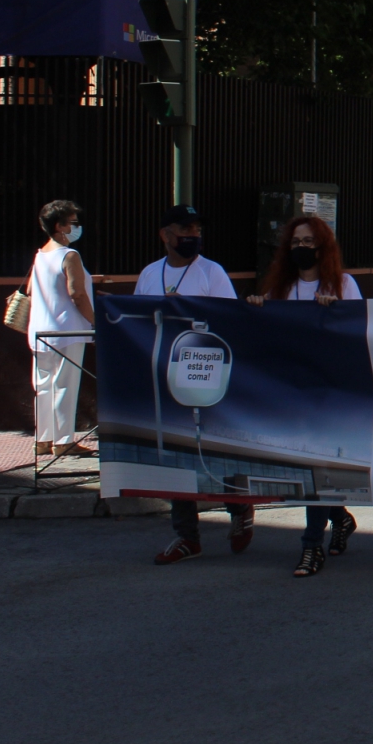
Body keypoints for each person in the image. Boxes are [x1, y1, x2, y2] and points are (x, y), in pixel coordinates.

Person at [135, 205, 257, 561]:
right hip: (167, 376)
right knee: (176, 455)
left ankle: (239, 509)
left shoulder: (211, 272)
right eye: (184, 228)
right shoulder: (149, 274)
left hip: (206, 373)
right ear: (165, 235)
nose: (192, 235)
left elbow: (229, 321)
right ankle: (187, 535)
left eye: (197, 229)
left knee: (218, 448)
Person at [248, 214, 363, 578]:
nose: (302, 248)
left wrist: (336, 313)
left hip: (330, 392)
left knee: (316, 467)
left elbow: (361, 331)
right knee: (309, 469)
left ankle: (311, 545)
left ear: (323, 246)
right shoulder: (280, 289)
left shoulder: (343, 284)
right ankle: (340, 518)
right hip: (293, 393)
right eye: (295, 242)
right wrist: (255, 308)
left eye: (308, 241)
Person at [27, 199, 94, 459]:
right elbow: (77, 293)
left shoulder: (40, 255)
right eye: (73, 222)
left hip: (40, 330)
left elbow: (34, 291)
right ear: (59, 226)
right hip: (67, 329)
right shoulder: (69, 255)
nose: (77, 227)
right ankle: (64, 441)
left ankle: (42, 439)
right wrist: (94, 321)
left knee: (43, 386)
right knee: (65, 385)